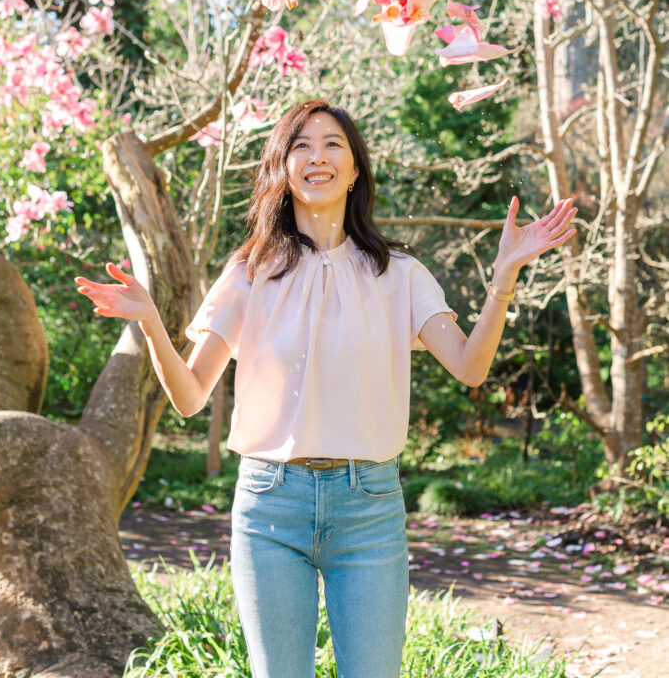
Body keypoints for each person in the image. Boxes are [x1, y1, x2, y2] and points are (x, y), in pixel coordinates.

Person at [75, 98, 577, 678]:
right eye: (301, 145)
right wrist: (150, 321)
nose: (318, 156)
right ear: (282, 168)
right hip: (270, 506)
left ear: (356, 168)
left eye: (333, 144)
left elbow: (469, 366)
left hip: (369, 509)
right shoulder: (249, 272)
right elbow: (189, 396)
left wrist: (503, 276)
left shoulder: (400, 275)